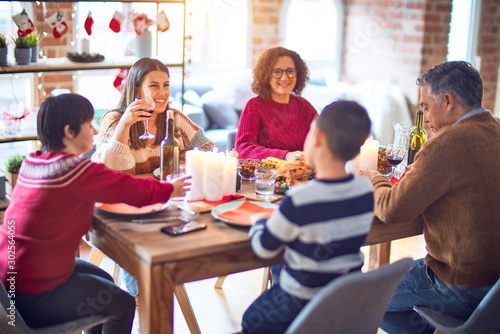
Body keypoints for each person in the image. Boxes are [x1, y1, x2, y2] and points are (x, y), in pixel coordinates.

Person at [0, 94, 190, 333]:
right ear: (69, 131)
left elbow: (50, 206)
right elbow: (130, 189)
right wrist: (171, 188)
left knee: (106, 285)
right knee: (123, 304)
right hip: (36, 295)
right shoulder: (74, 172)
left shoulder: (33, 162)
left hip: (12, 284)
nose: (95, 129)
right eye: (89, 124)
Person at [358, 61, 500, 334]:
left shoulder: (446, 143)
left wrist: (372, 178)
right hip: (494, 289)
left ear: (447, 101)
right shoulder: (494, 129)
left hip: (458, 284)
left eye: (425, 107)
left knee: (362, 298)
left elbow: (391, 209)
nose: (426, 118)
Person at [241, 100, 374, 333]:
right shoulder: (365, 190)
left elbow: (264, 248)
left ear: (318, 137)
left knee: (252, 320)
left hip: (301, 298)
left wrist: (260, 222)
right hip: (344, 297)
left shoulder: (300, 198)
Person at [92, 57, 213, 175]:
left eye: (166, 85)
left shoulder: (174, 118)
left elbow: (207, 148)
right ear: (137, 90)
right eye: (154, 86)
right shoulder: (115, 120)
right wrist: (124, 125)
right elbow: (113, 175)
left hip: (168, 192)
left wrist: (187, 158)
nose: (163, 92)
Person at [234, 47, 318, 160]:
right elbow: (243, 148)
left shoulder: (305, 106)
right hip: (266, 175)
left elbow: (322, 140)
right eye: (277, 72)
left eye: (290, 71)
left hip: (303, 174)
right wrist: (285, 155)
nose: (284, 78)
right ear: (266, 75)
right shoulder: (254, 106)